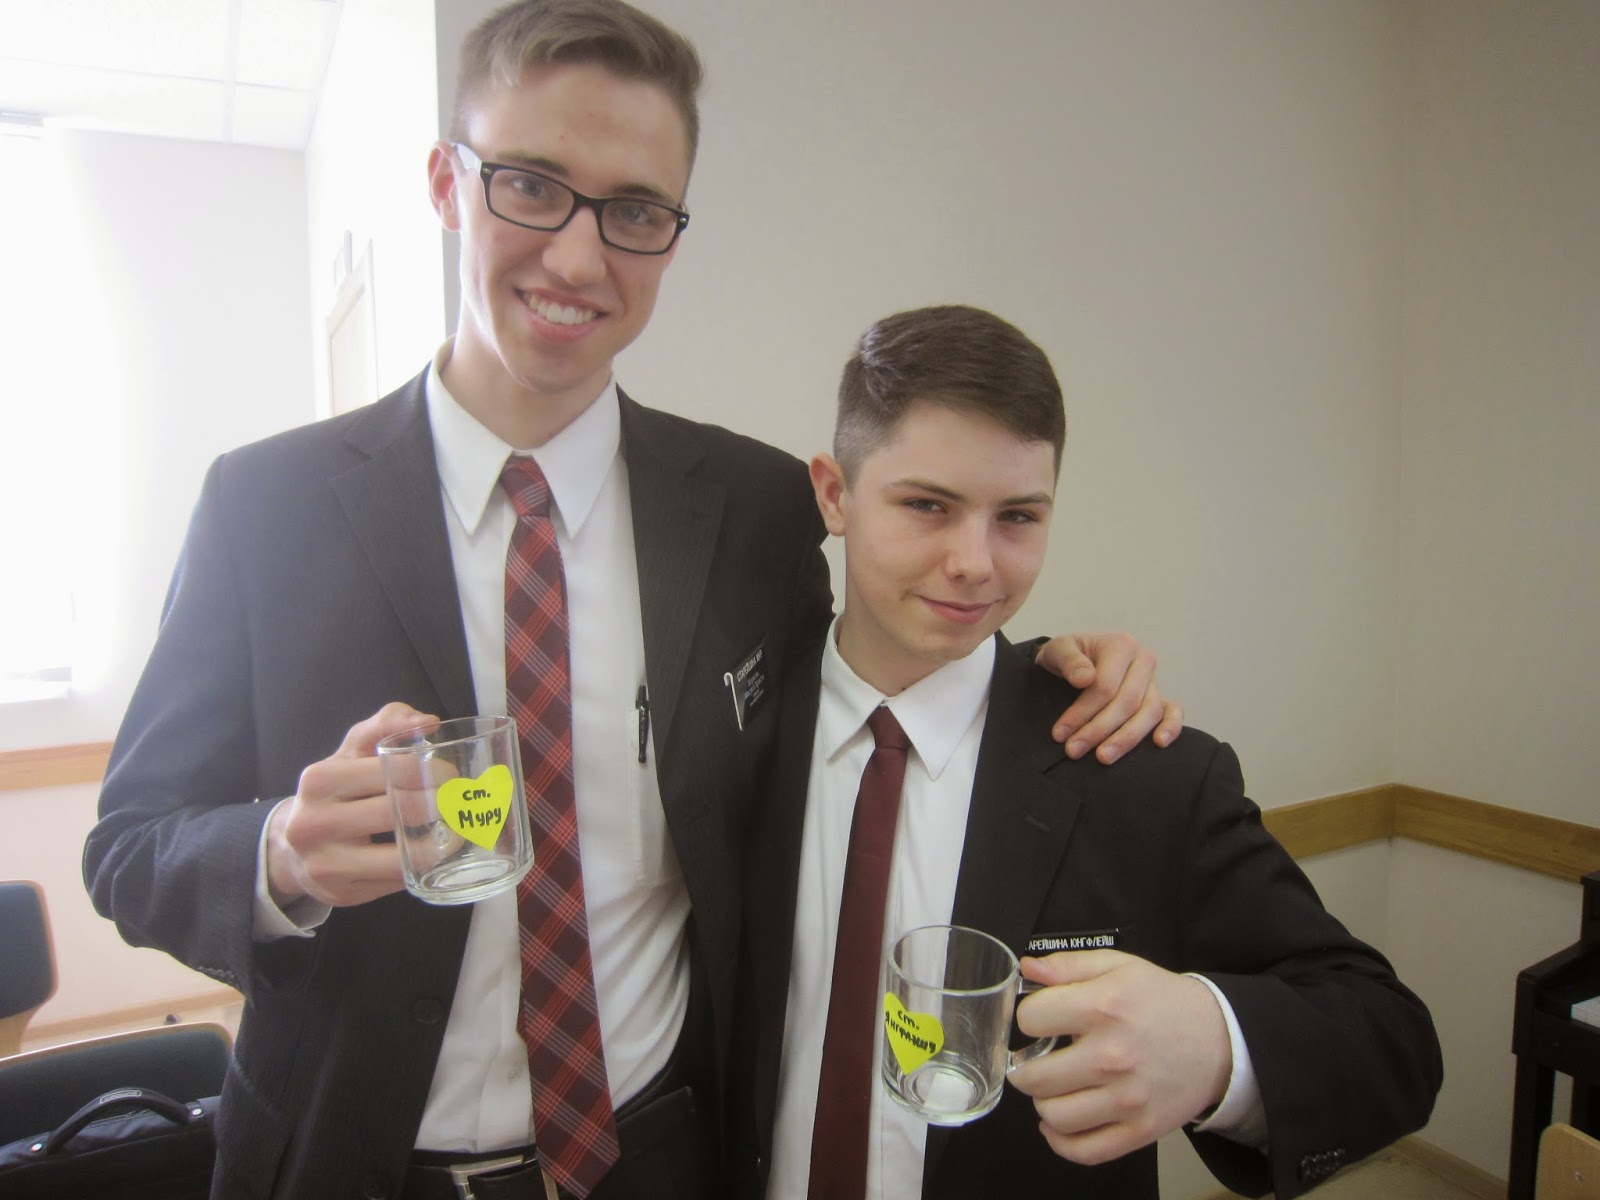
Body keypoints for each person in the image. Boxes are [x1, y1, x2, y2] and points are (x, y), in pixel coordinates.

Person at [82, 4, 1181, 1200]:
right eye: (530, 185)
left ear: (671, 235)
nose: (577, 258)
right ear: (448, 184)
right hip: (348, 1160)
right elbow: (130, 846)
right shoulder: (264, 506)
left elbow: (851, 688)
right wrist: (280, 853)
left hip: (659, 1159)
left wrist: (1045, 671)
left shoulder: (754, 508)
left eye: (635, 211)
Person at [734, 304, 1443, 1200]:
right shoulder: (728, 729)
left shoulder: (1141, 770)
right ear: (836, 495)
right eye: (927, 505)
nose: (975, 563)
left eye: (1017, 516)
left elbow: (1391, 1041)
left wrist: (1216, 1047)